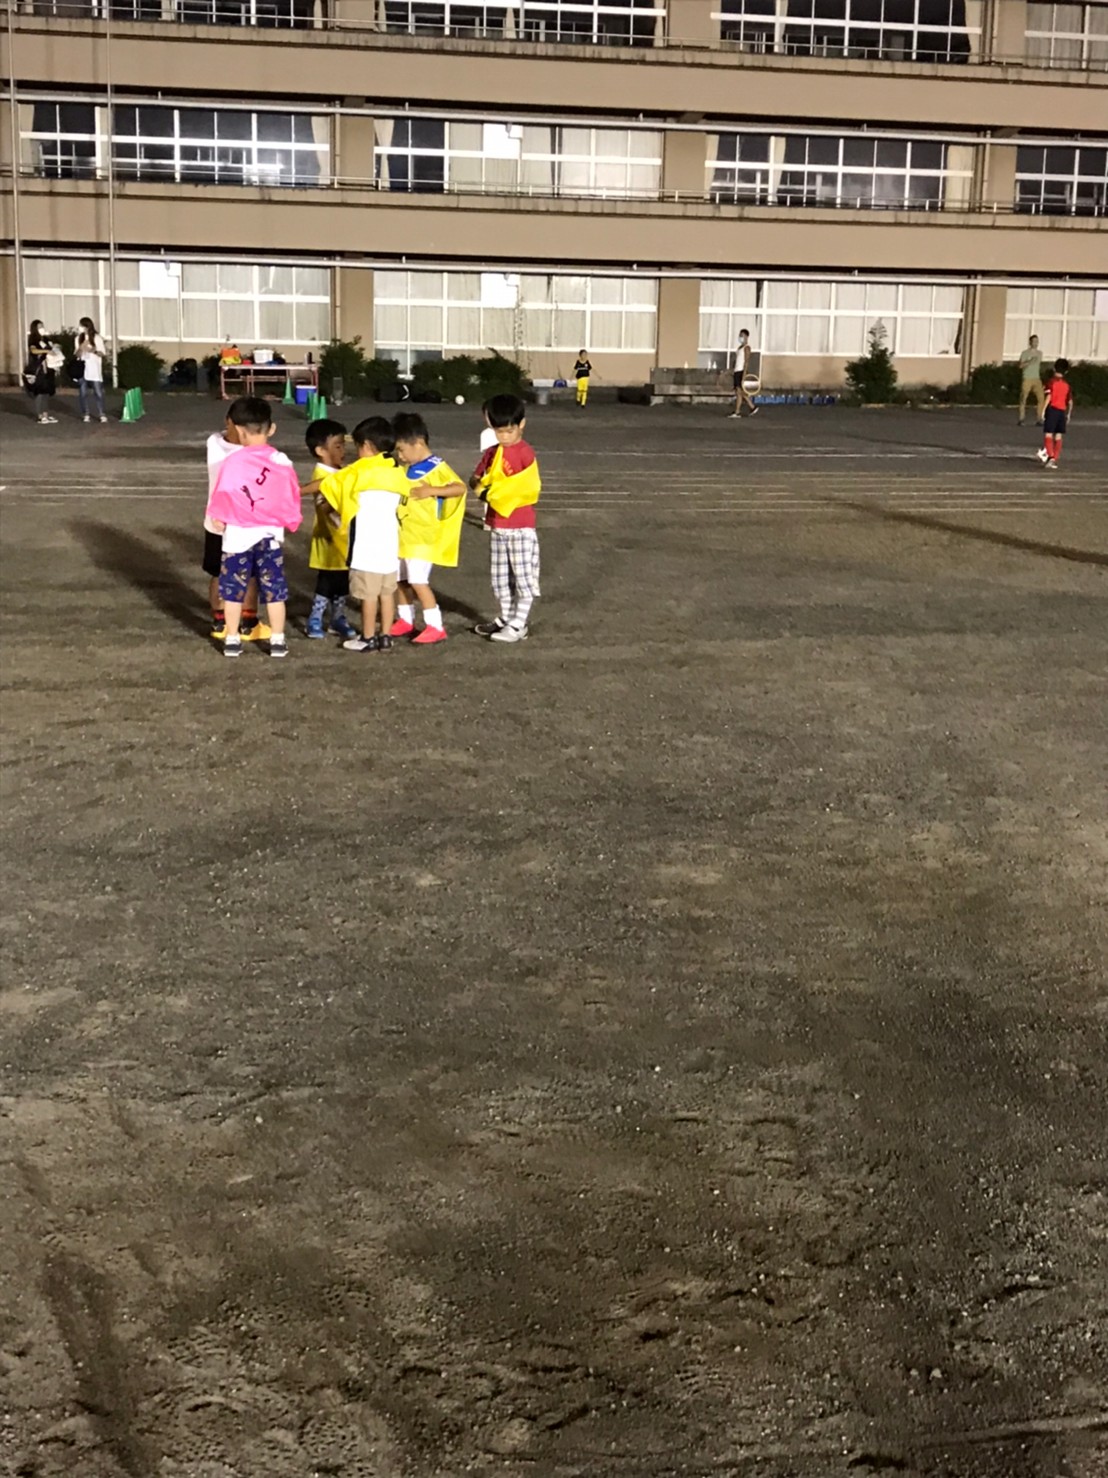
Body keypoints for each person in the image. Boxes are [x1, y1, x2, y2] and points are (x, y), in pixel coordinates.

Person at [205, 395, 302, 659]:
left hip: (237, 536)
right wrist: (291, 519)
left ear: (240, 431)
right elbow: (290, 493)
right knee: (274, 591)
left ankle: (232, 639)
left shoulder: (233, 460)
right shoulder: (282, 461)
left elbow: (224, 492)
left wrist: (219, 517)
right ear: (271, 429)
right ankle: (278, 640)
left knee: (233, 591)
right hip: (269, 534)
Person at [308, 417, 410, 654]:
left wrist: (297, 490)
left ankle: (367, 637)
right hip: (389, 546)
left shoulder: (358, 471)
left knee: (368, 596)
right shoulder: (396, 472)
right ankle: (385, 637)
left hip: (366, 547)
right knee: (387, 594)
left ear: (366, 445)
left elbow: (327, 484)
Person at [389, 412, 467, 646]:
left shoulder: (436, 467)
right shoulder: (407, 468)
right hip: (404, 534)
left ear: (418, 442)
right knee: (400, 579)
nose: (400, 455)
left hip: (424, 536)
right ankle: (406, 619)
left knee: (417, 579)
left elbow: (459, 488)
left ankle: (435, 625)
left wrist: (432, 491)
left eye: (402, 449)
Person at [469, 393, 541, 644]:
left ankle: (518, 624)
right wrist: (484, 492)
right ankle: (507, 617)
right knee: (500, 578)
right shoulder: (492, 452)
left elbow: (529, 487)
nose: (504, 437)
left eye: (509, 431)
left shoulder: (525, 453)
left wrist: (492, 492)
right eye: (499, 432)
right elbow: (475, 478)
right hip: (497, 525)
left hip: (520, 525)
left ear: (521, 425)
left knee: (523, 577)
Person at [204, 405, 271, 643]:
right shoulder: (255, 454)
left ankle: (220, 621)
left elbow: (222, 435)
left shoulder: (214, 443)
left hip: (215, 522)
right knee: (250, 575)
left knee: (218, 573)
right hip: (245, 525)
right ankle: (248, 623)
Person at [304, 417, 357, 641]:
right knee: (326, 580)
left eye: (343, 445)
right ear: (320, 451)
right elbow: (324, 506)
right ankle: (315, 618)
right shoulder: (322, 476)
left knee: (342, 581)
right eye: (337, 446)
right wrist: (341, 521)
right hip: (329, 538)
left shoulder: (340, 472)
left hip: (344, 539)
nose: (343, 451)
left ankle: (337, 617)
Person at [1037, 359, 1073, 470]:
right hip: (1062, 411)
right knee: (1058, 435)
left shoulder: (1051, 382)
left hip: (1052, 410)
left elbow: (1049, 396)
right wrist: (1069, 414)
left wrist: (1043, 410)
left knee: (1048, 434)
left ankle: (1051, 457)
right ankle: (1055, 458)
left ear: (1054, 368)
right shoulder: (1067, 385)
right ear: (1066, 371)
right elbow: (1070, 402)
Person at [24, 321, 58, 424]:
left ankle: (45, 414)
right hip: (39, 368)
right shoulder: (33, 340)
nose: (42, 328)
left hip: (49, 367)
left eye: (42, 326)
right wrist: (46, 351)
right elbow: (33, 351)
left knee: (47, 391)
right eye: (39, 327)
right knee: (40, 391)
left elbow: (52, 348)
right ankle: (39, 415)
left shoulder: (46, 339)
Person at [76, 316, 108, 423]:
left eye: (82, 326)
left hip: (94, 368)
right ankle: (86, 413)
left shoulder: (97, 338)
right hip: (82, 368)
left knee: (98, 392)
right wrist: (81, 348)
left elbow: (102, 353)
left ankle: (101, 413)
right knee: (83, 393)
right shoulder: (78, 338)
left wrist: (93, 350)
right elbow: (76, 354)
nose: (80, 328)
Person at [728, 329, 758, 418]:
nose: (740, 337)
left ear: (746, 337)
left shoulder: (747, 348)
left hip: (741, 371)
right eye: (740, 335)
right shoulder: (740, 348)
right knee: (739, 392)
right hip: (737, 370)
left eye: (742, 335)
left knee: (739, 392)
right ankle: (752, 407)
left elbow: (746, 362)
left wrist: (744, 375)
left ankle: (738, 411)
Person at [1017, 335, 1045, 427]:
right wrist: (1029, 361)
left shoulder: (1040, 353)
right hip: (1027, 378)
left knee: (1041, 398)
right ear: (1030, 342)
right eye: (1034, 341)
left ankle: (1039, 419)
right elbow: (1020, 366)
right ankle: (1021, 419)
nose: (1036, 343)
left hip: (1036, 378)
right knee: (1023, 398)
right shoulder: (1025, 353)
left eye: (1037, 341)